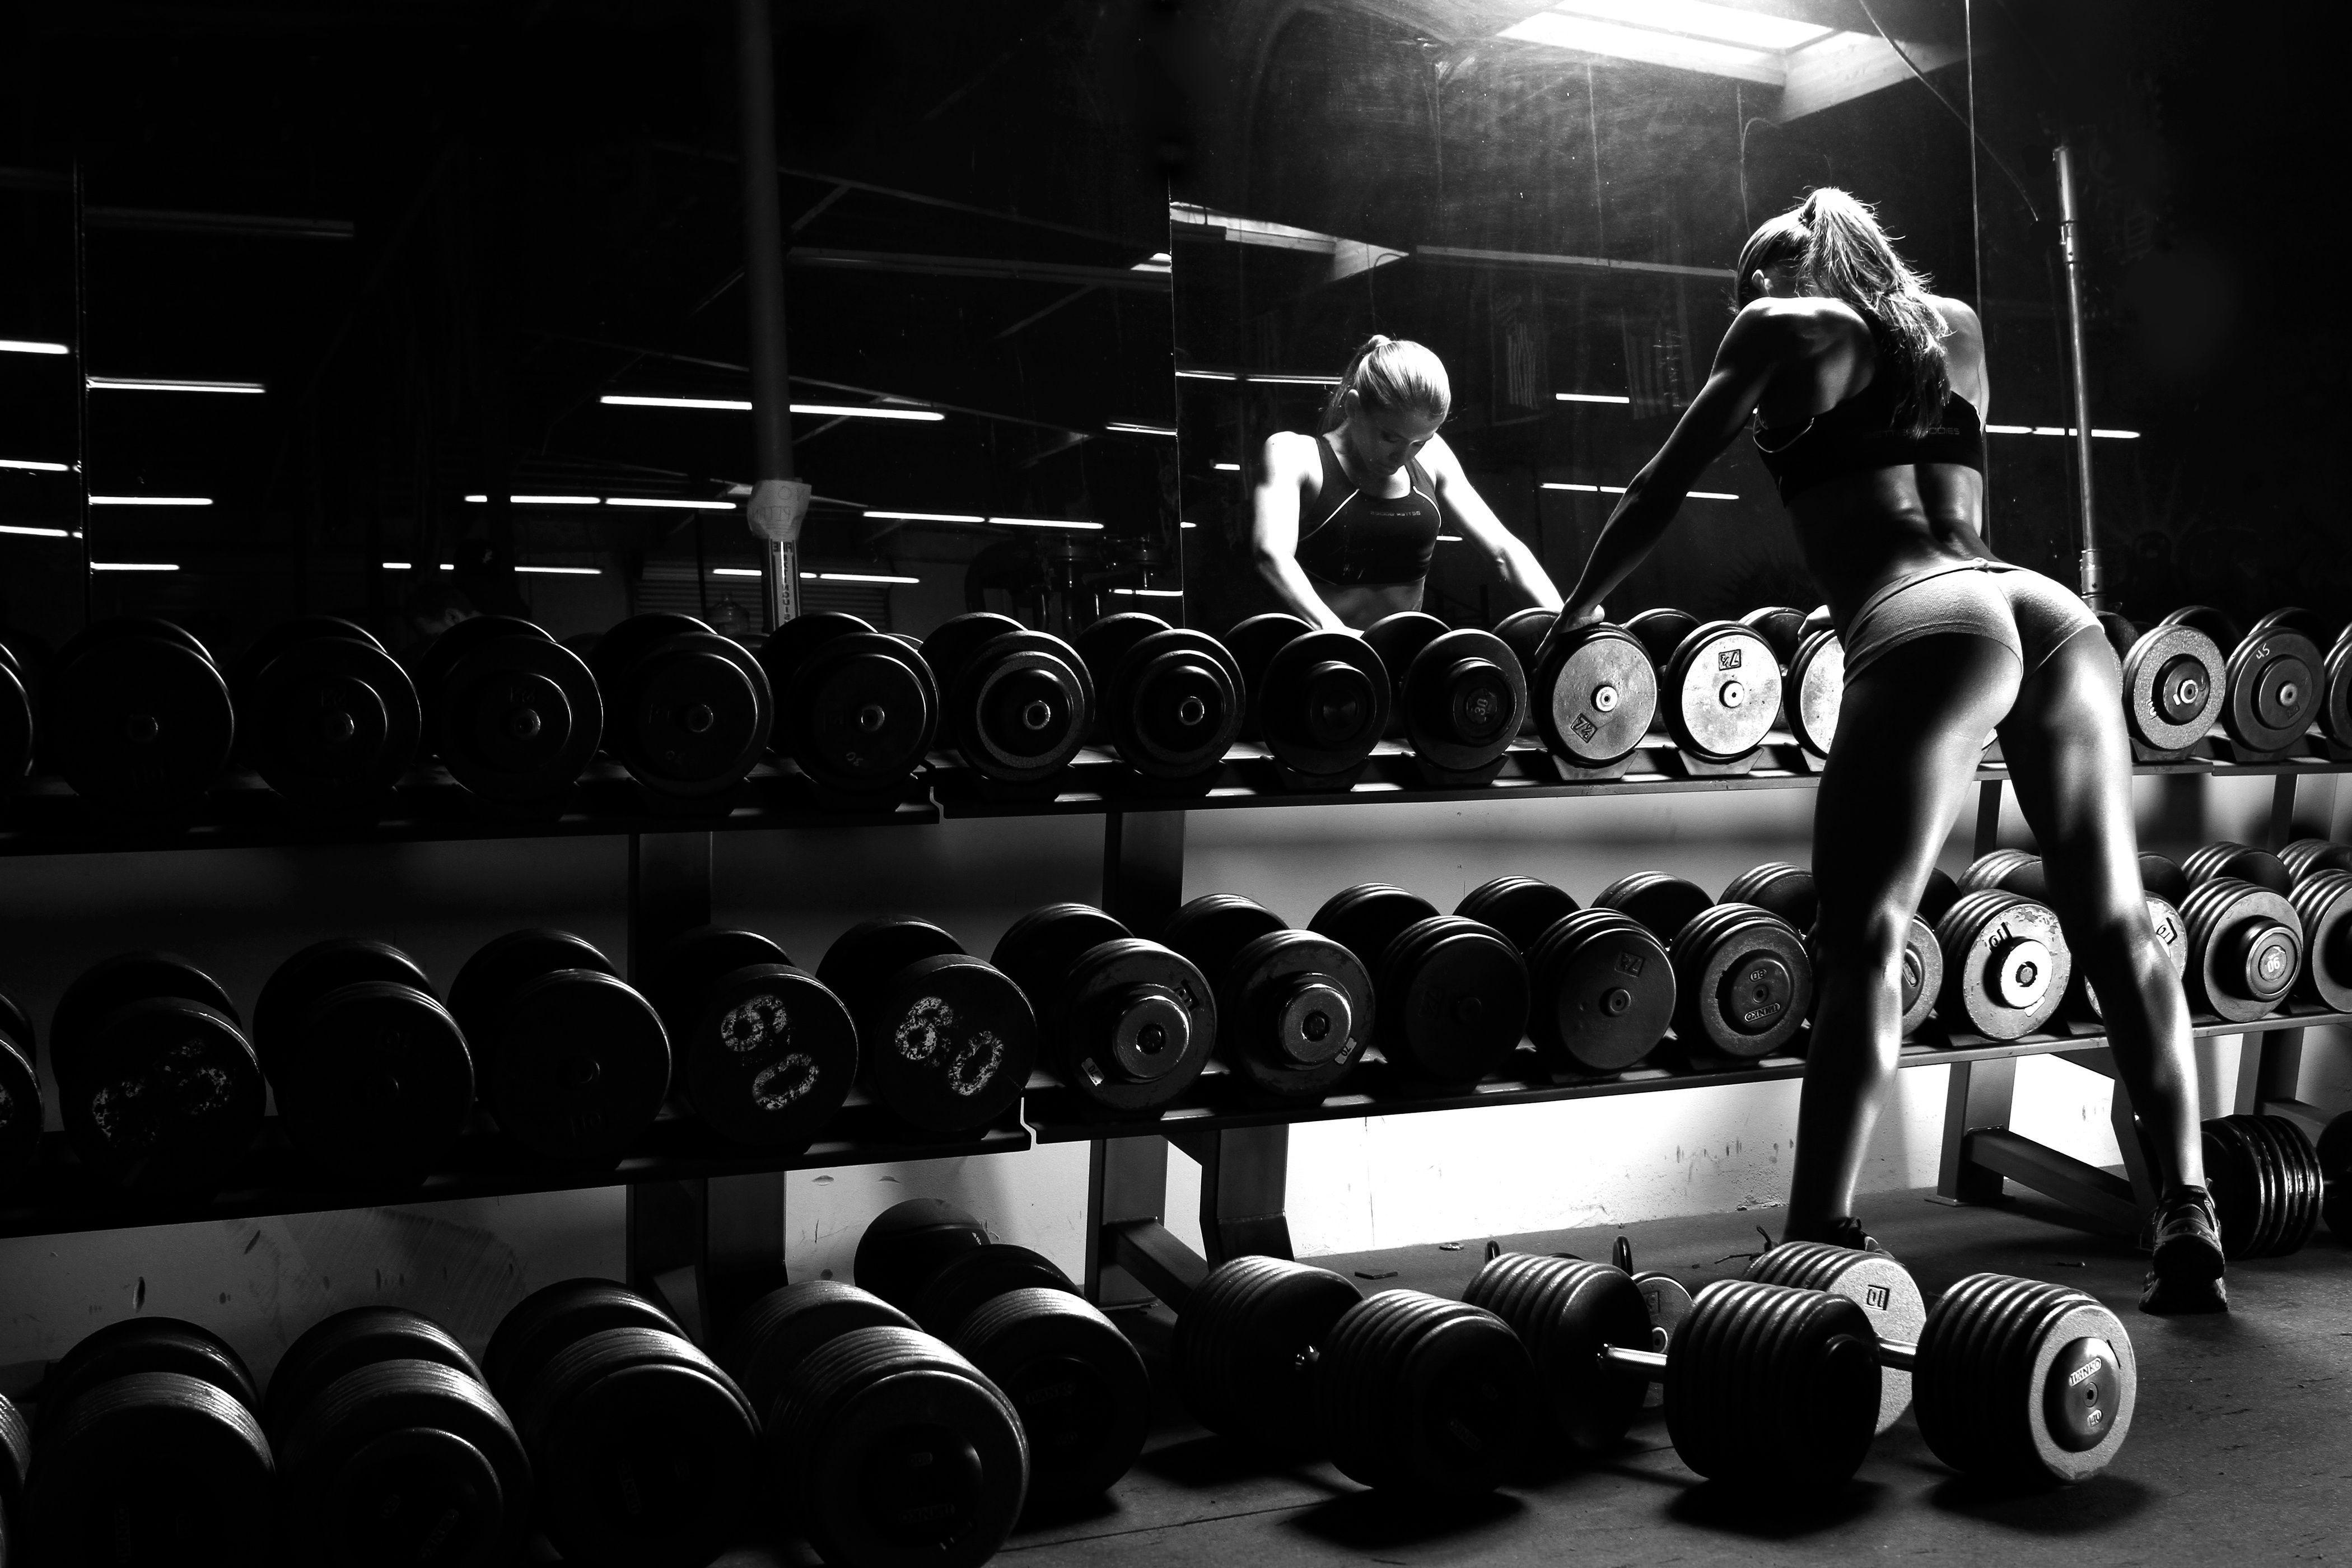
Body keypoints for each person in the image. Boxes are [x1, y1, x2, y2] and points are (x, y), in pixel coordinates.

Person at [1541, 188, 2222, 1313]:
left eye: (1742, 282)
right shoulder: (1950, 324)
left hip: (1929, 625)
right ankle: (2186, 1210)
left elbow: (1660, 487)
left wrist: (1575, 614)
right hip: (2048, 618)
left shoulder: (1776, 328)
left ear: (1772, 272)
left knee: (1864, 939)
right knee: (2114, 922)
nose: (1741, 305)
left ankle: (1818, 1235)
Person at [1249, 335, 1563, 631]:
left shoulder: (1434, 457)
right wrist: (1339, 635)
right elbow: (1271, 554)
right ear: (1354, 407)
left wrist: (1566, 623)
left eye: (1419, 442)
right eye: (1390, 437)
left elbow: (1504, 551)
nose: (1403, 455)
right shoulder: (1294, 455)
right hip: (1320, 658)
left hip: (1402, 660)